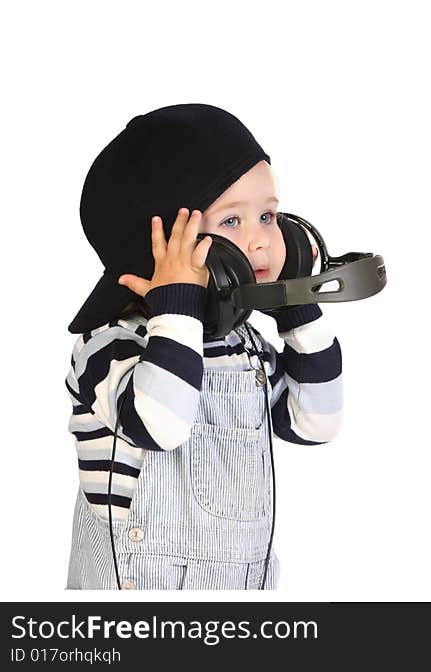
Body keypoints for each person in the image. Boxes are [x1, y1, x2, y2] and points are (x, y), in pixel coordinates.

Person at [64, 103, 343, 590]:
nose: (261, 242)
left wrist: (297, 308)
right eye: (232, 222)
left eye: (269, 216)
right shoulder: (108, 347)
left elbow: (316, 423)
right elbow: (161, 426)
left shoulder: (244, 348)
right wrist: (177, 305)